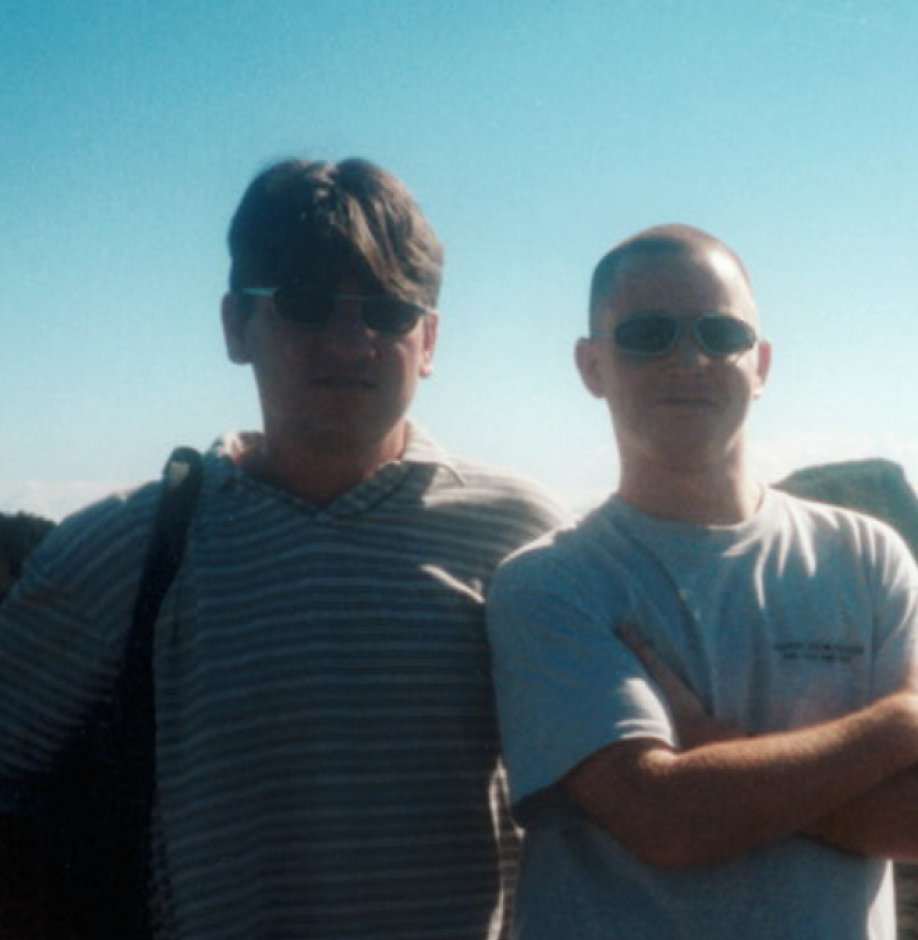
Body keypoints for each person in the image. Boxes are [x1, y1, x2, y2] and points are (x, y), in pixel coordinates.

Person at [0, 158, 569, 940]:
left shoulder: (521, 535)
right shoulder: (126, 547)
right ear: (237, 325)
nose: (351, 339)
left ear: (429, 340)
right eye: (305, 302)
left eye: (389, 310)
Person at [487, 224, 918, 940]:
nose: (689, 358)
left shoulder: (869, 557)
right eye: (648, 334)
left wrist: (718, 754)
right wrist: (899, 726)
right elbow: (661, 819)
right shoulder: (549, 582)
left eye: (721, 334)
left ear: (762, 364)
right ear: (591, 365)